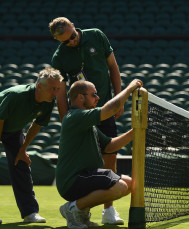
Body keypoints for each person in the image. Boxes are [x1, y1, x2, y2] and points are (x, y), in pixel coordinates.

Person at [49, 16, 124, 224]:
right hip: (82, 113)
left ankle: (109, 212)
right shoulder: (59, 57)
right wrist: (67, 120)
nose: (71, 42)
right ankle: (78, 212)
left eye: (72, 36)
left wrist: (119, 100)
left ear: (74, 26)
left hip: (105, 106)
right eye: (65, 41)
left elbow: (113, 68)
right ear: (58, 42)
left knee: (110, 156)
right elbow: (61, 93)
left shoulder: (96, 36)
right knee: (82, 164)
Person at [0, 67, 63, 224]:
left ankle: (30, 212)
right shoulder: (17, 95)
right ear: (39, 87)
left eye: (57, 89)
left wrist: (23, 150)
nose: (55, 92)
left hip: (13, 127)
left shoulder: (49, 101)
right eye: (52, 89)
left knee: (20, 162)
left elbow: (36, 125)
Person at [56, 79, 142, 228]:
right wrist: (130, 88)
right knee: (120, 187)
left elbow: (109, 146)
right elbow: (112, 108)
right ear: (81, 98)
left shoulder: (85, 121)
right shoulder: (75, 116)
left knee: (130, 184)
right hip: (73, 180)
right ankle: (72, 209)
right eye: (93, 94)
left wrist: (136, 131)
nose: (98, 98)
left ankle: (80, 211)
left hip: (86, 175)